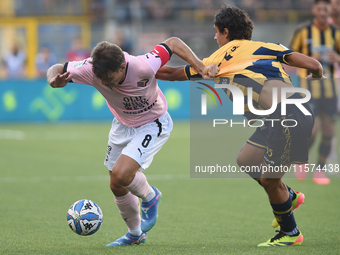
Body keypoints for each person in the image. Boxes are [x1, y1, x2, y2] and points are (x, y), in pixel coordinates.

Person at [156, 4, 323, 247]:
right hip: (291, 111)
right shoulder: (269, 46)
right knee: (246, 159)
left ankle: (290, 232)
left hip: (288, 116)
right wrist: (316, 74)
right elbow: (313, 65)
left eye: (215, 32)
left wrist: (140, 69)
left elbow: (171, 74)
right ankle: (289, 195)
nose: (214, 37)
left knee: (269, 180)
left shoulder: (220, 56)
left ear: (225, 31)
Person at [47, 38, 215, 246]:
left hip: (152, 122)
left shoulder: (143, 65)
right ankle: (135, 234)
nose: (107, 84)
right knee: (116, 185)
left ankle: (150, 196)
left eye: (110, 79)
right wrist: (53, 79)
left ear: (122, 66)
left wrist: (201, 67)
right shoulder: (90, 68)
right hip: (121, 124)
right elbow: (56, 68)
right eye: (102, 80)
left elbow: (173, 43)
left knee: (122, 174)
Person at [290, 0, 339, 185]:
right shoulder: (303, 31)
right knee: (313, 130)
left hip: (331, 89)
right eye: (319, 8)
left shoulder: (336, 33)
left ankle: (320, 171)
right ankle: (301, 159)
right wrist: (309, 60)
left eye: (325, 8)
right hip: (308, 90)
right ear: (314, 10)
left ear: (329, 10)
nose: (322, 11)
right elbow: (288, 57)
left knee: (328, 130)